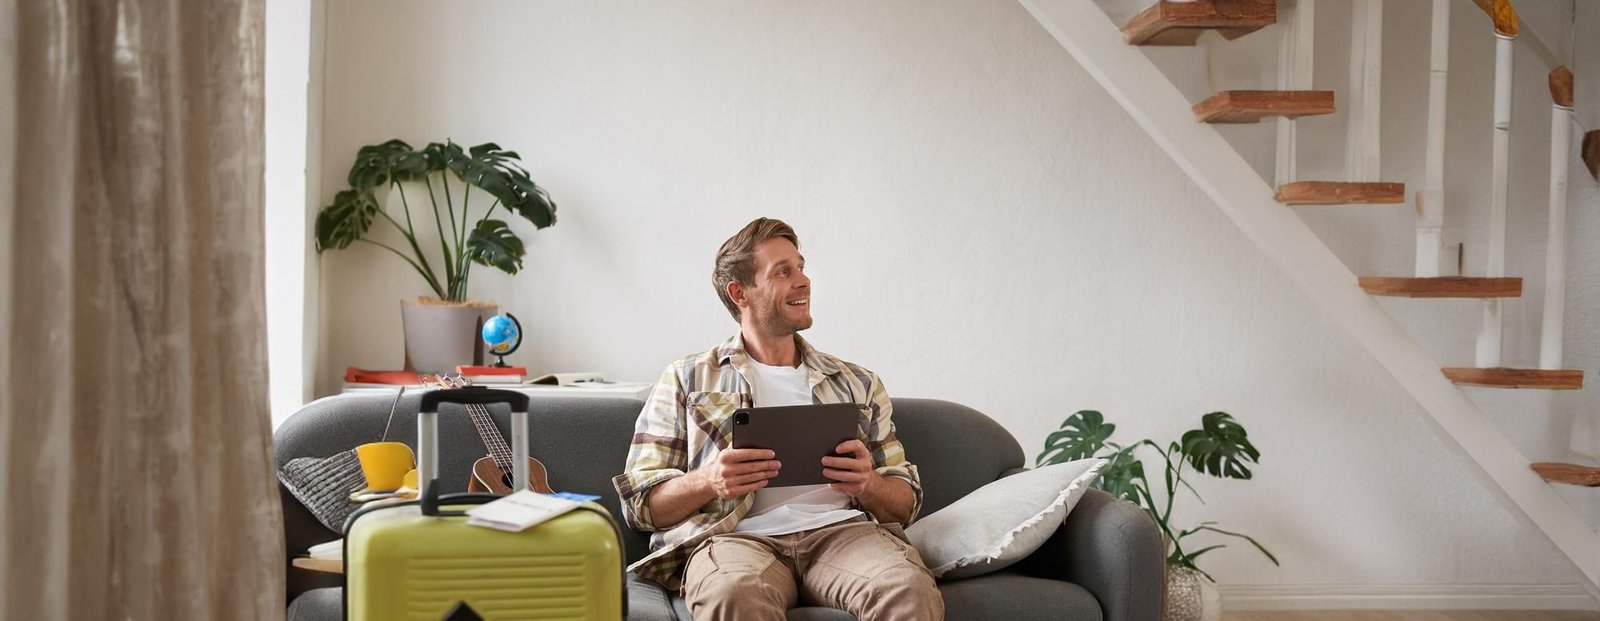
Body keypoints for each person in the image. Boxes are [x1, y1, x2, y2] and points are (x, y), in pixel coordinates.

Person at [613, 218, 944, 621]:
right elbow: (642, 506)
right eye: (783, 272)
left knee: (907, 588)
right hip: (736, 540)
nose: (804, 281)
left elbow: (905, 504)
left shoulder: (858, 382)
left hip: (842, 533)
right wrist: (710, 480)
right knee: (733, 592)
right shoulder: (686, 378)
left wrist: (869, 483)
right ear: (740, 293)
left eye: (800, 267)